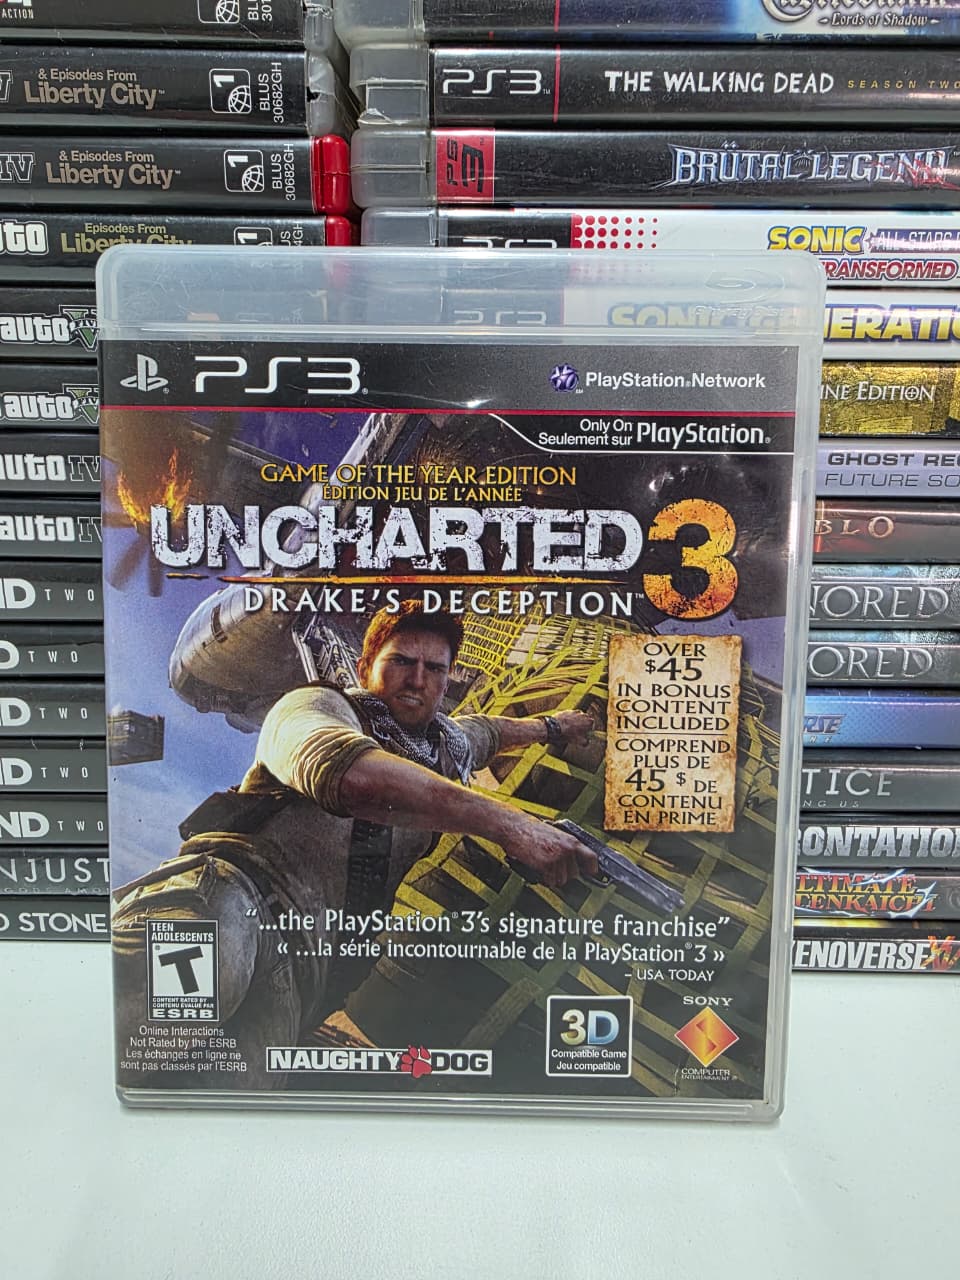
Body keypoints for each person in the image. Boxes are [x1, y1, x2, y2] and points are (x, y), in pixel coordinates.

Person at [112, 601, 597, 1088]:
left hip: (303, 975)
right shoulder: (315, 707)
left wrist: (554, 726)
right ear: (365, 667)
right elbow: (346, 773)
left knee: (224, 1102)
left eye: (435, 669)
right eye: (401, 661)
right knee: (133, 1043)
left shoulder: (446, 746)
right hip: (233, 902)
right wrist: (513, 827)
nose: (418, 679)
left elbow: (489, 731)